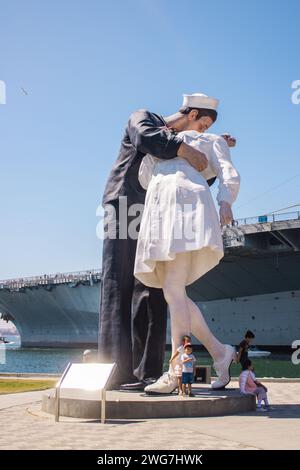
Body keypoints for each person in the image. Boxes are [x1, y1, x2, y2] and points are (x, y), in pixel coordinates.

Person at [99, 92, 237, 389]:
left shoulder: (192, 141)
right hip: (126, 203)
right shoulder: (146, 117)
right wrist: (187, 146)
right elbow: (145, 138)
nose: (204, 132)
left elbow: (198, 174)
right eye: (202, 125)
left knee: (156, 292)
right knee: (118, 284)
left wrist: (210, 149)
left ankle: (146, 371)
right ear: (191, 114)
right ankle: (113, 368)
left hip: (158, 211)